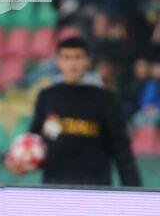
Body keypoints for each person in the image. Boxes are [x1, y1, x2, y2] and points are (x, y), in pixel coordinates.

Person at [8, 36, 141, 186]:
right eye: (67, 57)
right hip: (54, 185)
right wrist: (14, 159)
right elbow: (35, 137)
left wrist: (134, 189)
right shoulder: (48, 96)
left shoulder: (106, 98)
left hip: (94, 187)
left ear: (88, 60)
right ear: (59, 61)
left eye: (78, 57)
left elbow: (121, 148)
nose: (72, 64)